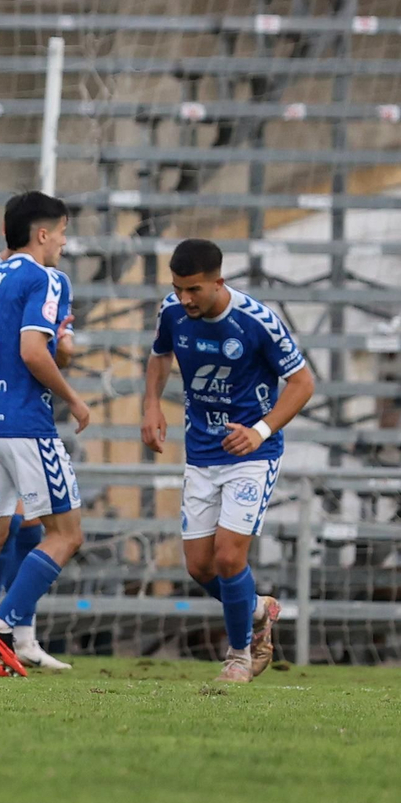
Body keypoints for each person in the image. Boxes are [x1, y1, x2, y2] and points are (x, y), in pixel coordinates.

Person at [141, 238, 314, 682]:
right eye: (178, 288)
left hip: (251, 455)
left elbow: (302, 383)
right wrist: (152, 405)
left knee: (229, 557)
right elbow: (160, 354)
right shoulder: (172, 311)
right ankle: (257, 609)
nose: (185, 299)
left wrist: (260, 431)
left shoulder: (257, 322)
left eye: (194, 289)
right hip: (201, 452)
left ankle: (239, 656)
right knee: (199, 566)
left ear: (220, 281)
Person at [0, 191, 89, 678]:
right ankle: (4, 626)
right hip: (25, 424)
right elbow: (34, 350)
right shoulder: (46, 278)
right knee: (66, 534)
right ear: (43, 233)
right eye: (63, 232)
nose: (65, 244)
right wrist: (72, 396)